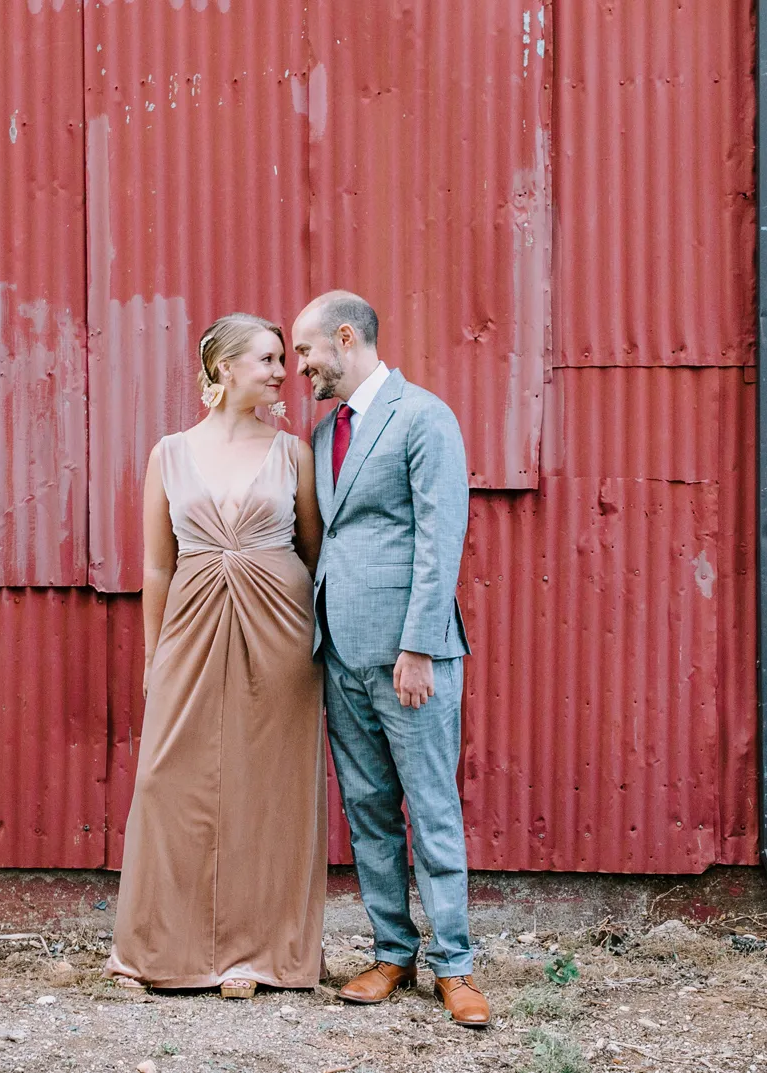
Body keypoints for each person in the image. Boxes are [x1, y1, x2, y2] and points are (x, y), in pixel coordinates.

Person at [105, 313, 328, 998]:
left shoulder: (293, 453)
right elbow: (157, 564)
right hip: (192, 620)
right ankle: (157, 948)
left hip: (280, 626)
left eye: (282, 359)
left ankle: (256, 956)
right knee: (166, 779)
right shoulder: (169, 453)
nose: (282, 371)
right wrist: (155, 653)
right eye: (267, 359)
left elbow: (313, 550)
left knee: (270, 785)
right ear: (223, 368)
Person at [291, 290, 489, 1027]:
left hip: (411, 657)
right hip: (340, 651)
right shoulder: (324, 433)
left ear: (346, 338)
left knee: (430, 806)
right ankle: (391, 952)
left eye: (306, 350)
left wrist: (418, 646)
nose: (300, 365)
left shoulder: (423, 417)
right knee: (368, 809)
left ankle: (455, 965)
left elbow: (441, 537)